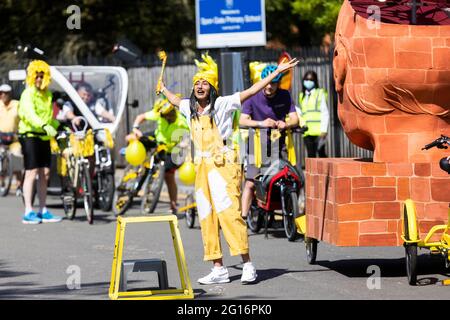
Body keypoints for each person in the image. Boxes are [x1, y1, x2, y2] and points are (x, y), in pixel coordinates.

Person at [160, 53, 299, 285]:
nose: (200, 86)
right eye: (196, 83)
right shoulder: (189, 107)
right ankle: (218, 268)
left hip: (224, 165)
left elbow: (252, 91)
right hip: (202, 166)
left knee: (230, 214)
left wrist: (274, 74)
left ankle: (247, 264)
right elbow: (175, 100)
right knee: (207, 215)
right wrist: (163, 89)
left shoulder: (223, 103)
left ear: (212, 87)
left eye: (204, 83)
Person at [239, 65, 299, 220]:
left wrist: (286, 124)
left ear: (278, 84)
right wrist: (261, 123)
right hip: (256, 146)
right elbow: (242, 120)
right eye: (268, 82)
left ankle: (290, 208)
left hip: (280, 143)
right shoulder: (253, 97)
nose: (269, 86)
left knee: (288, 177)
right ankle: (243, 218)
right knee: (251, 183)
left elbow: (294, 118)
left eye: (273, 83)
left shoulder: (285, 95)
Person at [126, 96, 189, 214]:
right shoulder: (159, 113)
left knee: (169, 176)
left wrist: (183, 145)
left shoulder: (182, 122)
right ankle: (136, 169)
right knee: (133, 137)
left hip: (171, 149)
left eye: (167, 115)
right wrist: (135, 128)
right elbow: (141, 117)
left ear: (172, 111)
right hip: (158, 139)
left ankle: (173, 204)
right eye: (163, 116)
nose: (165, 117)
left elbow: (187, 138)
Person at [18, 60, 62, 224]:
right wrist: (43, 125)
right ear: (31, 76)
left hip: (44, 136)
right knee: (32, 172)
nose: (39, 79)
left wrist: (59, 125)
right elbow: (29, 114)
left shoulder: (48, 94)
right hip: (29, 135)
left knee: (45, 173)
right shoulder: (28, 94)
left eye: (42, 75)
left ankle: (43, 210)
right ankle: (28, 211)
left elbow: (48, 118)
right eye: (36, 75)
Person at [298, 70, 329, 158]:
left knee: (321, 155)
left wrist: (324, 130)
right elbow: (302, 113)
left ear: (315, 81)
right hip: (307, 132)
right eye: (307, 79)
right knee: (311, 155)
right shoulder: (302, 96)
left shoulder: (320, 93)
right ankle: (312, 172)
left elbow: (325, 112)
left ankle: (324, 172)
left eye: (311, 80)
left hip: (319, 132)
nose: (308, 81)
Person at [0, 84, 23, 196]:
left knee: (17, 157)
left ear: (10, 94)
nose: (3, 95)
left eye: (6, 93)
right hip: (0, 139)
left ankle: (19, 186)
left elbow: (23, 119)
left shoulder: (17, 105)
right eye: (1, 93)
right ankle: (2, 183)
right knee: (1, 160)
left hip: (14, 138)